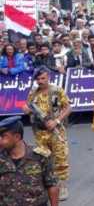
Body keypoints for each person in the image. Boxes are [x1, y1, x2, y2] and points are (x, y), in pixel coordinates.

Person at [22, 67, 72, 201]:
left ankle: (62, 185)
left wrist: (56, 121)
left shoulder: (56, 90)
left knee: (60, 157)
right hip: (40, 132)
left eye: (43, 78)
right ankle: (47, 184)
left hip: (56, 131)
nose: (40, 81)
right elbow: (28, 107)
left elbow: (68, 108)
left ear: (48, 77)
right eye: (38, 79)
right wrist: (26, 109)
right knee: (43, 158)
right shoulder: (33, 93)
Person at [0, 116, 59, 206]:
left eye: (3, 136)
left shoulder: (40, 156)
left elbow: (52, 185)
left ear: (17, 137)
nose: (0, 140)